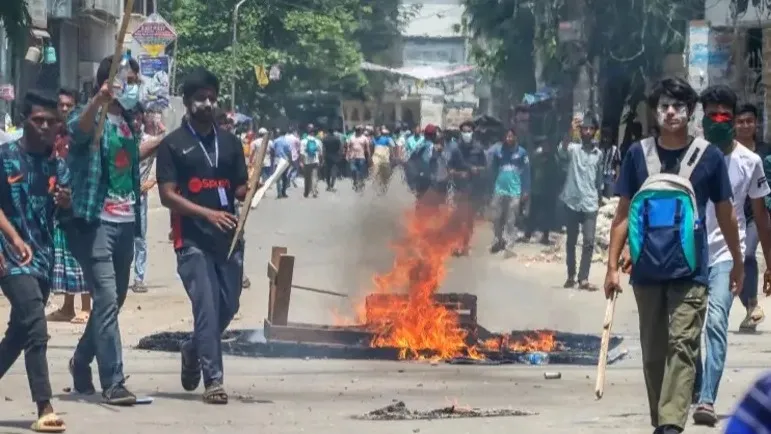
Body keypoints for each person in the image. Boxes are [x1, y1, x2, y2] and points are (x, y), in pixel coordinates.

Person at [606, 77, 742, 434]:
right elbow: (622, 216)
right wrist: (610, 268)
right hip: (647, 272)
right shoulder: (638, 155)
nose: (671, 113)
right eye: (664, 106)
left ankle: (670, 425)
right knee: (653, 352)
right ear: (655, 112)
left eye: (678, 107)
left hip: (691, 270)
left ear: (690, 112)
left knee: (682, 344)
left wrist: (737, 261)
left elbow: (727, 214)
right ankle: (661, 418)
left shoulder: (709, 157)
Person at [156, 67, 249, 404]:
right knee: (206, 308)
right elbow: (167, 195)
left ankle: (193, 349)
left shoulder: (230, 143)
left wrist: (247, 191)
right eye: (200, 99)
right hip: (192, 239)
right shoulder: (173, 145)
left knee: (229, 305)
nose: (207, 104)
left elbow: (238, 189)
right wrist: (207, 213)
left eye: (212, 98)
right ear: (187, 103)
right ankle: (214, 381)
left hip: (229, 240)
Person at [691, 86, 771, 426]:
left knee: (718, 322)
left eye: (726, 115)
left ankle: (707, 399)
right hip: (690, 253)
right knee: (687, 329)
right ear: (703, 118)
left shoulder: (750, 161)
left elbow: (760, 213)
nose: (720, 121)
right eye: (713, 115)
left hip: (728, 252)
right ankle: (695, 382)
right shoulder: (689, 155)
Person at [66, 54, 143, 405]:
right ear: (109, 82)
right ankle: (113, 380)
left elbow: (133, 159)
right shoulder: (93, 119)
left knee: (115, 301)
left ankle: (81, 360)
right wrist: (97, 99)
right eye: (127, 79)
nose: (132, 86)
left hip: (126, 223)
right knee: (107, 298)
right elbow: (74, 132)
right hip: (97, 222)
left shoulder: (127, 123)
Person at [0, 89, 71, 432]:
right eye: (38, 120)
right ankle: (44, 405)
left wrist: (65, 201)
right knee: (36, 326)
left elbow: (59, 212)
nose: (45, 127)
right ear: (24, 120)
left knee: (19, 332)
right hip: (10, 257)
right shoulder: (4, 157)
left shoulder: (56, 165)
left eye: (51, 121)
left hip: (42, 257)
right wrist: (11, 239)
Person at [47, 88, 90, 324]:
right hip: (57, 199)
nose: (64, 109)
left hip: (78, 199)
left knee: (80, 254)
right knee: (63, 255)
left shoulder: (80, 134)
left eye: (69, 106)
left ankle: (86, 306)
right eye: (61, 105)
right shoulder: (52, 133)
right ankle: (67, 306)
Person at [733, 103, 771, 331]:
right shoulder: (728, 151)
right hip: (734, 213)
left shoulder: (766, 153)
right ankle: (750, 308)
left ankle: (753, 304)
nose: (745, 125)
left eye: (749, 121)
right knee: (734, 262)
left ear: (756, 124)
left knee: (747, 254)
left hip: (760, 213)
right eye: (740, 121)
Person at [557, 113, 603, 290]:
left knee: (589, 241)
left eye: (591, 129)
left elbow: (598, 179)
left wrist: (599, 198)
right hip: (573, 202)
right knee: (571, 241)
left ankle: (583, 278)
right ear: (581, 131)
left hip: (590, 203)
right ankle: (571, 275)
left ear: (595, 132)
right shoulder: (573, 150)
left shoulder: (598, 154)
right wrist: (571, 129)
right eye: (585, 128)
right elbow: (561, 149)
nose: (588, 132)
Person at [131, 107, 164, 294]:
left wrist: (152, 181)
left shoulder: (149, 142)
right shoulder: (122, 138)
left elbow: (168, 151)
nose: (136, 122)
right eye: (133, 118)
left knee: (140, 238)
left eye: (138, 118)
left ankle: (139, 278)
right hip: (120, 195)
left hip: (140, 196)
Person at [488, 128, 530, 258]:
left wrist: (526, 190)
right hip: (500, 188)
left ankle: (509, 242)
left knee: (511, 217)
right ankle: (498, 239)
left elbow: (527, 173)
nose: (509, 139)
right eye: (507, 136)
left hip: (515, 190)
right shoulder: (498, 152)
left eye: (511, 136)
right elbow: (493, 170)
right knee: (496, 215)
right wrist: (490, 187)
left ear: (515, 137)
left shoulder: (522, 153)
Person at [448, 120, 487, 256]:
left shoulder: (479, 148)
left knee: (469, 219)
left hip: (474, 189)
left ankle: (466, 244)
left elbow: (485, 167)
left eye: (469, 131)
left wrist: (477, 170)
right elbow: (450, 170)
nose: (466, 134)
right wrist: (460, 173)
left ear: (473, 132)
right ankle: (458, 244)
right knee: (458, 218)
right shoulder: (455, 149)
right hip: (459, 189)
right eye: (464, 131)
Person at [521, 135, 559, 244]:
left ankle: (545, 236)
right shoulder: (536, 157)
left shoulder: (553, 159)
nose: (546, 147)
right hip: (536, 190)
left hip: (548, 191)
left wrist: (555, 190)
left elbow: (557, 175)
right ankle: (528, 234)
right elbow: (530, 171)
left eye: (547, 145)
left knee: (547, 215)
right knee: (533, 213)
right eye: (544, 145)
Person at [371, 126, 395, 194]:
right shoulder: (373, 140)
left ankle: (385, 189)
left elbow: (391, 148)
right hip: (376, 159)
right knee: (375, 174)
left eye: (378, 131)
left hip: (385, 159)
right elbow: (372, 149)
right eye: (376, 131)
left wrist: (392, 155)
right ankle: (375, 190)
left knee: (385, 176)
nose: (377, 132)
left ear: (380, 132)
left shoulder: (386, 139)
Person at [300, 128, 323, 198]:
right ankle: (314, 192)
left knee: (307, 178)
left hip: (306, 161)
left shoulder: (303, 141)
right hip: (315, 161)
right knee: (314, 177)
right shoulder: (318, 141)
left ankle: (306, 192)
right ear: (314, 133)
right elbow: (320, 153)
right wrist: (321, 160)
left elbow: (302, 153)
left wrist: (301, 161)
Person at [347, 126, 369, 191]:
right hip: (352, 157)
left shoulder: (364, 138)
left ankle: (360, 182)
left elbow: (367, 148)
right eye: (357, 130)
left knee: (360, 171)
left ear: (361, 130)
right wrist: (347, 155)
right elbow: (348, 147)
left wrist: (369, 156)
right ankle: (355, 181)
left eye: (359, 130)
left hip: (361, 157)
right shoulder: (351, 138)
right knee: (353, 170)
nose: (358, 131)